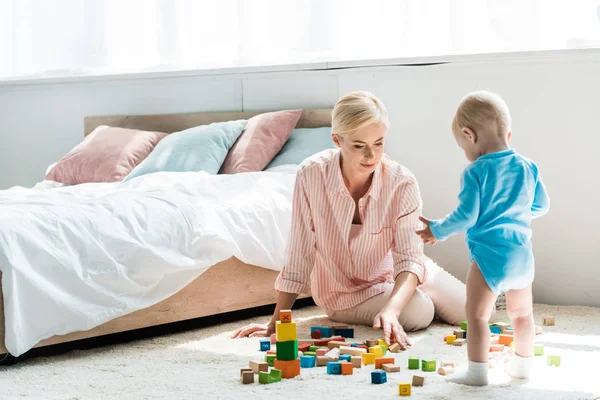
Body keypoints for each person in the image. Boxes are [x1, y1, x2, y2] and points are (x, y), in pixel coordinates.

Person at [232, 91, 468, 347]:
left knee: (476, 310)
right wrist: (277, 322)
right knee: (421, 312)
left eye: (378, 143)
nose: (371, 156)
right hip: (345, 294)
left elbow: (409, 257)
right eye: (359, 145)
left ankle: (407, 292)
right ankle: (409, 297)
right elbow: (299, 254)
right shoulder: (311, 174)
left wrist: (391, 308)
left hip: (390, 270)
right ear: (337, 140)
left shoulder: (402, 182)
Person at [417, 91, 550, 386]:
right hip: (521, 257)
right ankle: (522, 369)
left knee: (477, 316)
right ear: (508, 132)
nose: (464, 151)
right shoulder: (528, 166)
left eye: (462, 144)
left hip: (489, 258)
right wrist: (516, 214)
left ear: (469, 135)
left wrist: (436, 229)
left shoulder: (475, 171)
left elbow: (466, 216)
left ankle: (477, 374)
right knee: (522, 315)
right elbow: (542, 205)